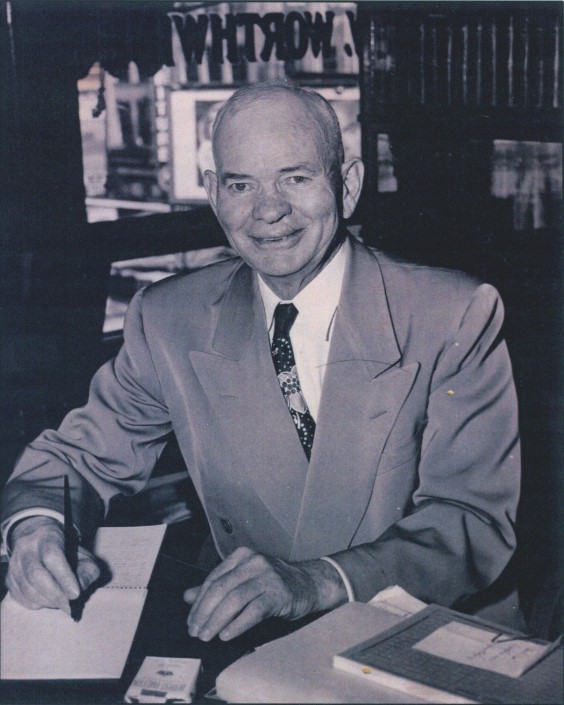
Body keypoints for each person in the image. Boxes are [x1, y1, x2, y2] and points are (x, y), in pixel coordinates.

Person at [1, 82, 520, 644]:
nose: (268, 210)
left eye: (296, 178)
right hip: (255, 639)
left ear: (347, 188)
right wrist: (38, 528)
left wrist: (315, 581)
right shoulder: (168, 319)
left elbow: (472, 520)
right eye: (241, 184)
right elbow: (77, 458)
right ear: (213, 193)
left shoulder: (453, 313)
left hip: (421, 631)